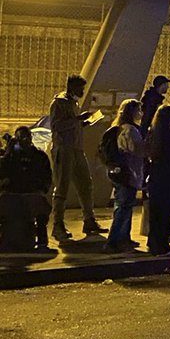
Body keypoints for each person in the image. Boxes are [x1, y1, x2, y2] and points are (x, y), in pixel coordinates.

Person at [48, 74, 103, 241]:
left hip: (77, 149)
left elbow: (71, 124)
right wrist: (77, 119)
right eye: (81, 88)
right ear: (72, 87)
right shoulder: (60, 102)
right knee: (62, 187)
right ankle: (58, 225)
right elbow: (56, 126)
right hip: (64, 149)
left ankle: (89, 220)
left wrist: (83, 123)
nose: (83, 91)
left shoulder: (73, 102)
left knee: (86, 184)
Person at [0, 126, 55, 253]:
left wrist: (41, 189)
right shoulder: (10, 157)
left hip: (32, 194)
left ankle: (42, 238)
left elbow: (47, 177)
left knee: (41, 208)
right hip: (11, 194)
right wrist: (8, 152)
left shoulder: (39, 156)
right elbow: (3, 172)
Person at [104, 98, 145, 253]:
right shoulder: (130, 130)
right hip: (129, 172)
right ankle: (113, 241)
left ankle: (124, 238)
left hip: (118, 172)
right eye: (138, 110)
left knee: (122, 205)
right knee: (124, 207)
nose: (140, 113)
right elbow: (137, 150)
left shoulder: (117, 126)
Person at [144, 105, 170, 256]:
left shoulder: (152, 133)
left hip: (156, 174)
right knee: (167, 212)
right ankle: (162, 246)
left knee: (155, 212)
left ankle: (152, 242)